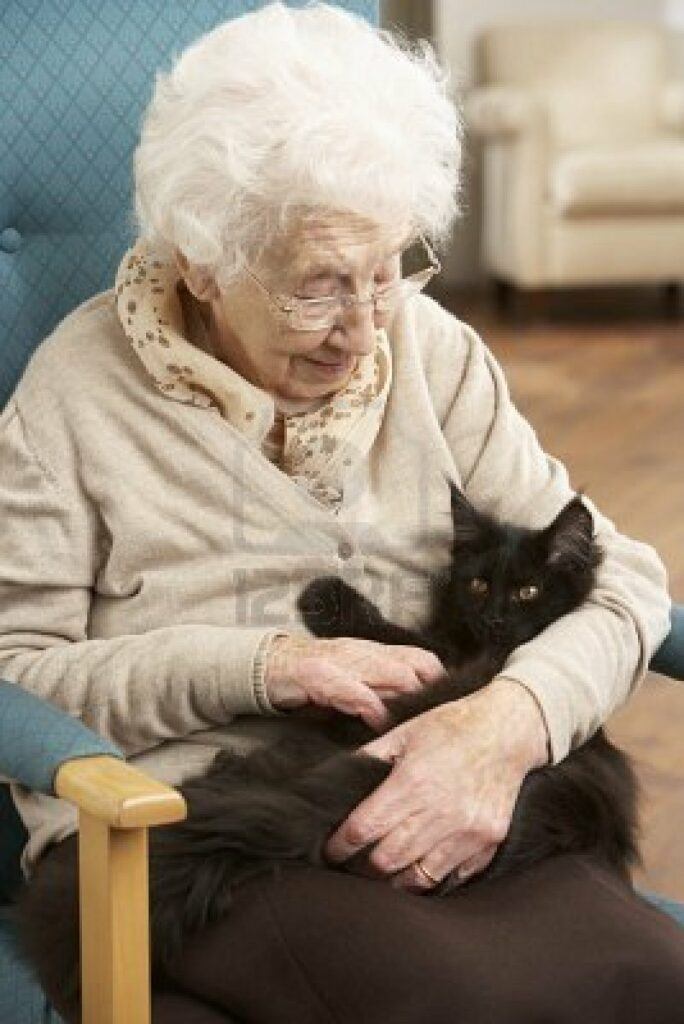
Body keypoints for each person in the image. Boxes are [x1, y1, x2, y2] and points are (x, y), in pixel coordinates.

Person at [1, 4, 683, 1021]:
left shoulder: (431, 348)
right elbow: (19, 675)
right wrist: (268, 666)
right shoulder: (74, 396)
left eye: (388, 270)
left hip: (443, 776)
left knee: (654, 979)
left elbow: (621, 577)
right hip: (202, 830)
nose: (365, 333)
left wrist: (510, 723)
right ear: (203, 259)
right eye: (319, 287)